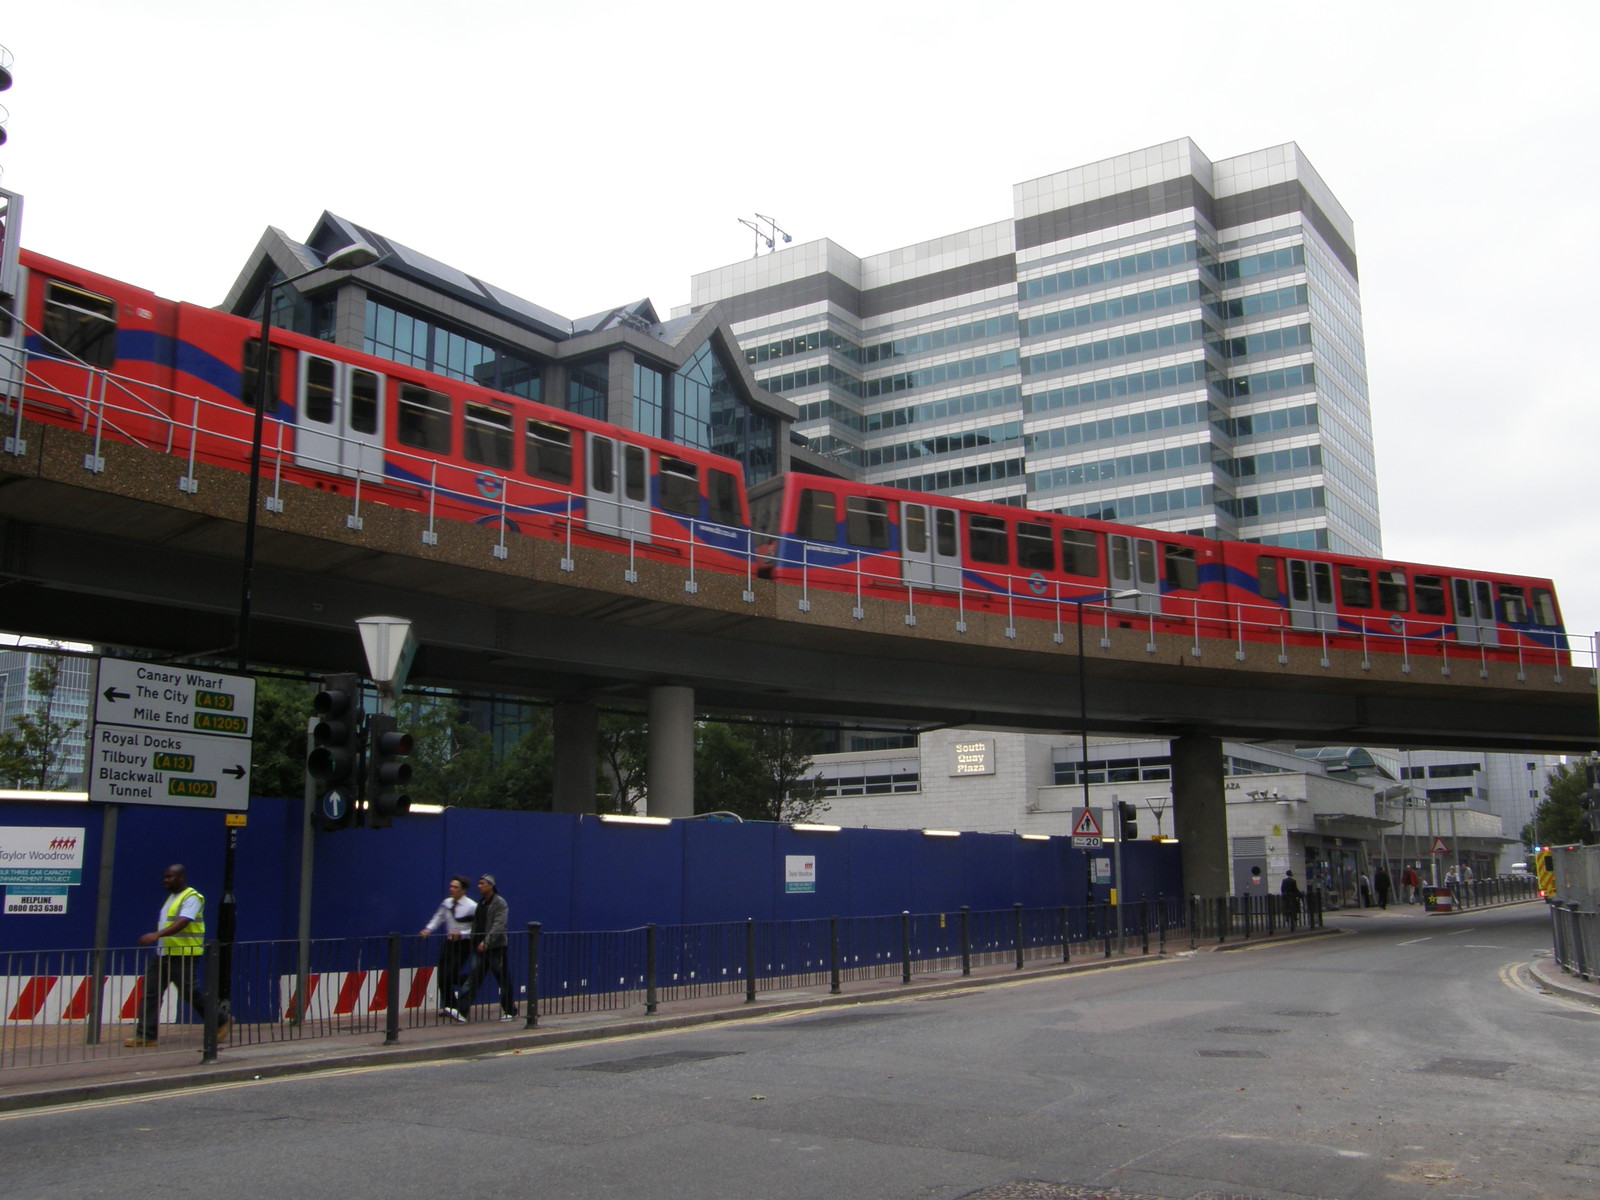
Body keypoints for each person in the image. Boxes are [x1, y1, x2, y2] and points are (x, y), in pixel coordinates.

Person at [126, 863, 230, 1047]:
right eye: (165, 877)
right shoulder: (172, 899)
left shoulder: (192, 897)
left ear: (181, 877)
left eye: (170, 876)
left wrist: (156, 935)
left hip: (184, 954)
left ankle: (221, 1020)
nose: (165, 880)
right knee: (151, 993)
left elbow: (183, 922)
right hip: (163, 954)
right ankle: (146, 1035)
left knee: (190, 992)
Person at [447, 874, 516, 1022]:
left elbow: (499, 925)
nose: (479, 886)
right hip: (479, 948)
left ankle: (510, 1010)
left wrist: (486, 942)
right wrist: (473, 940)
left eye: (482, 883)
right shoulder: (481, 904)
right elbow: (476, 925)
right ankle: (462, 1011)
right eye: (479, 883)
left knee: (502, 979)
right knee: (473, 978)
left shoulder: (500, 903)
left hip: (495, 948)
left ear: (491, 885)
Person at [420, 875, 477, 1017]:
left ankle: (471, 980)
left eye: (455, 887)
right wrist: (428, 929)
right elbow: (438, 917)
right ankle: (450, 1006)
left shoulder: (471, 906)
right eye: (451, 886)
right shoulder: (447, 903)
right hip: (449, 942)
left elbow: (478, 927)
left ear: (463, 890)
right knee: (442, 976)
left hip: (463, 944)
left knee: (450, 974)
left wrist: (462, 934)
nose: (451, 889)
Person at [1280, 868, 1302, 933]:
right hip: (1292, 896)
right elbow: (1295, 889)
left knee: (1286, 906)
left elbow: (1282, 888)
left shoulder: (1284, 880)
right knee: (1294, 907)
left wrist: (1283, 895)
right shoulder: (1293, 881)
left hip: (1286, 896)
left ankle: (1287, 917)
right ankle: (1294, 917)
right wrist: (1298, 895)